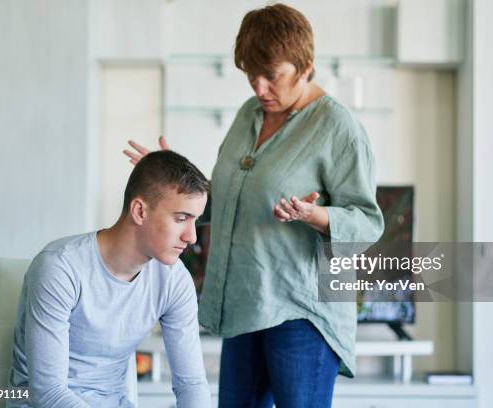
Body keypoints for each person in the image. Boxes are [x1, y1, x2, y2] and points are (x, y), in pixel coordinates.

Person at [124, 4, 384, 407]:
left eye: (272, 76)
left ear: (306, 66)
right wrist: (172, 180)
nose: (259, 88)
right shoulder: (249, 114)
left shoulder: (339, 128)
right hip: (246, 304)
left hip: (303, 314)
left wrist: (313, 215)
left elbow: (368, 224)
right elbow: (226, 200)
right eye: (251, 75)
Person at [7, 151, 212, 408]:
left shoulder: (174, 280)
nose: (191, 237)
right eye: (181, 219)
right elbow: (48, 394)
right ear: (139, 211)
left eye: (196, 221)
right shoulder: (60, 267)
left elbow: (191, 384)